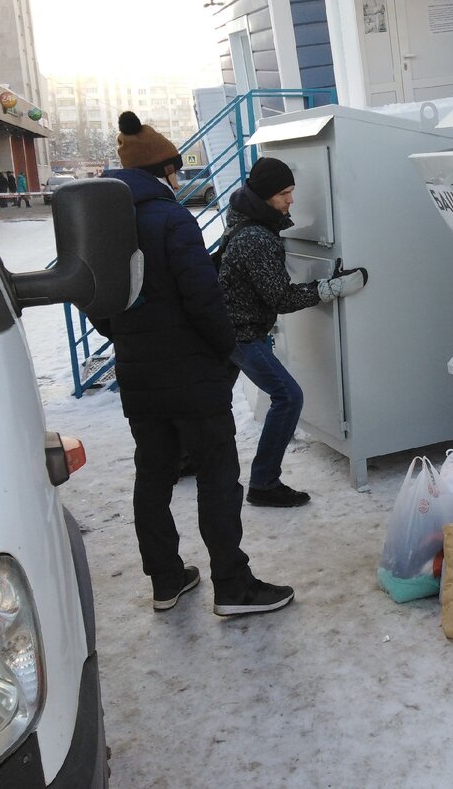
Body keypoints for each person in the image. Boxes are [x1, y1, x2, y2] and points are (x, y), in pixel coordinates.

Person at [91, 111, 294, 616]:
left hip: (139, 377)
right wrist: (222, 348)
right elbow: (205, 300)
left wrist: (127, 338)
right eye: (176, 171)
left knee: (153, 476)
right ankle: (233, 585)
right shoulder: (170, 218)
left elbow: (92, 295)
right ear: (164, 171)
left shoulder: (104, 223)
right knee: (217, 477)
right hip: (192, 377)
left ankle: (166, 580)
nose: (179, 180)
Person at [217, 156, 368, 507]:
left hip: (227, 327)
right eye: (285, 193)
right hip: (241, 333)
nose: (291, 200)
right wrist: (330, 288)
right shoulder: (257, 238)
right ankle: (264, 483)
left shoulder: (246, 220)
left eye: (292, 191)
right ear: (266, 196)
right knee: (288, 397)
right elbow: (281, 297)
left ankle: (190, 458)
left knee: (213, 403)